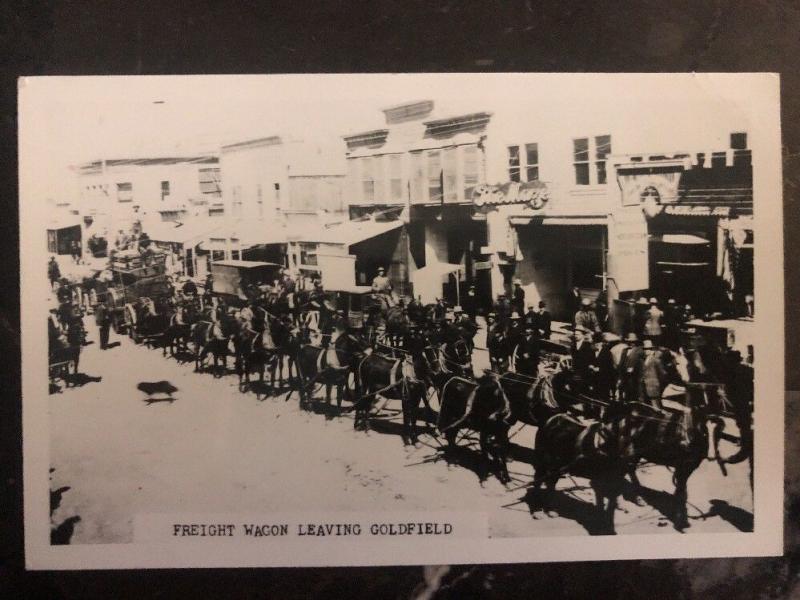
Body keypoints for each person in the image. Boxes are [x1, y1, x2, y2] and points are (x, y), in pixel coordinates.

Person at [571, 326, 595, 393]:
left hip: (584, 371)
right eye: (575, 334)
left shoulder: (588, 346)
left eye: (578, 334)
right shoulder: (573, 345)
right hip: (575, 371)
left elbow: (592, 358)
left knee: (583, 389)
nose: (576, 336)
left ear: (583, 335)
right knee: (574, 387)